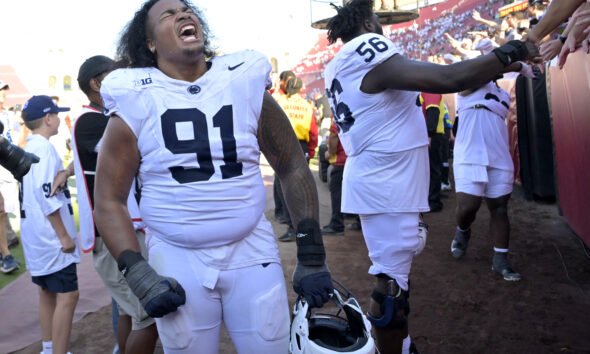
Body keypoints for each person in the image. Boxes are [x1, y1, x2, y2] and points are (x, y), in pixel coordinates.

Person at [93, 1, 333, 353]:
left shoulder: (242, 77)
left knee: (271, 347)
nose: (184, 15)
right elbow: (108, 199)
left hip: (249, 247)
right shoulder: (135, 95)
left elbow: (291, 165)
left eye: (187, 11)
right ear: (150, 43)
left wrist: (311, 251)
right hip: (177, 254)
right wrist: (137, 272)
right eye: (169, 15)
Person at [324, 1, 540, 353]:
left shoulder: (339, 62)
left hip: (385, 176)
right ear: (366, 22)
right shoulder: (367, 48)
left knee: (398, 273)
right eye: (377, 19)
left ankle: (403, 343)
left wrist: (508, 64)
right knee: (391, 286)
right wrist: (511, 50)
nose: (381, 26)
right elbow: (449, 78)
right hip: (386, 181)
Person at [51, 55, 159, 354]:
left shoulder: (102, 116)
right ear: (96, 83)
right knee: (147, 314)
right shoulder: (91, 119)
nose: (123, 77)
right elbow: (133, 147)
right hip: (111, 233)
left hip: (119, 228)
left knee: (129, 311)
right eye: (115, 73)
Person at [450, 48, 536, 283]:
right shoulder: (467, 85)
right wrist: (518, 65)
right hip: (469, 151)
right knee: (468, 207)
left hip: (498, 153)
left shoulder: (504, 94)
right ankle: (463, 230)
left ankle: (500, 261)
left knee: (499, 208)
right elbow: (481, 74)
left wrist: (518, 65)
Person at [20, 95, 80, 354]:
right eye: (56, 115)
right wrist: (64, 236)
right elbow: (47, 198)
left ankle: (48, 347)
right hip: (50, 237)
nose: (58, 119)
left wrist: (66, 171)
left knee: (46, 291)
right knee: (69, 295)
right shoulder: (44, 148)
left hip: (35, 234)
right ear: (47, 118)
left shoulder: (28, 146)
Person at [273, 76, 319, 242]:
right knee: (301, 185)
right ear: (300, 89)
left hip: (282, 146)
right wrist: (312, 152)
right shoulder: (307, 106)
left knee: (284, 186)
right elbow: (313, 132)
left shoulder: (280, 103)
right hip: (302, 147)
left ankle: (293, 227)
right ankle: (304, 227)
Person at [0, 80, 21, 273]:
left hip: (4, 164)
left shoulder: (7, 114)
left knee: (3, 210)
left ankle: (5, 254)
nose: (3, 94)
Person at [419, 92, 447, 212]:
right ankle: (432, 199)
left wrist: (429, 134)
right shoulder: (427, 91)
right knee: (430, 168)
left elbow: (433, 113)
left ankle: (434, 201)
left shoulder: (429, 91)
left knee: (432, 168)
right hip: (430, 135)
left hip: (431, 136)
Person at [321, 122, 347, 235]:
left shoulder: (340, 112)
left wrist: (330, 152)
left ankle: (337, 224)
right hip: (356, 161)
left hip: (341, 161)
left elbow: (334, 135)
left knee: (337, 192)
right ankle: (358, 221)